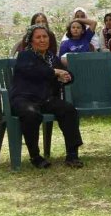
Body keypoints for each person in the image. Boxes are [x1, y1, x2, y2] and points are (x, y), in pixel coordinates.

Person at [10, 25, 84, 168]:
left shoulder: (52, 58)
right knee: (31, 115)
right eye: (38, 37)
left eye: (45, 37)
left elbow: (65, 73)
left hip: (45, 99)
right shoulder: (25, 56)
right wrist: (54, 72)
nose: (42, 40)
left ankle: (72, 155)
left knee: (68, 110)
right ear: (31, 41)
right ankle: (35, 156)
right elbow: (34, 71)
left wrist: (67, 77)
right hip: (24, 99)